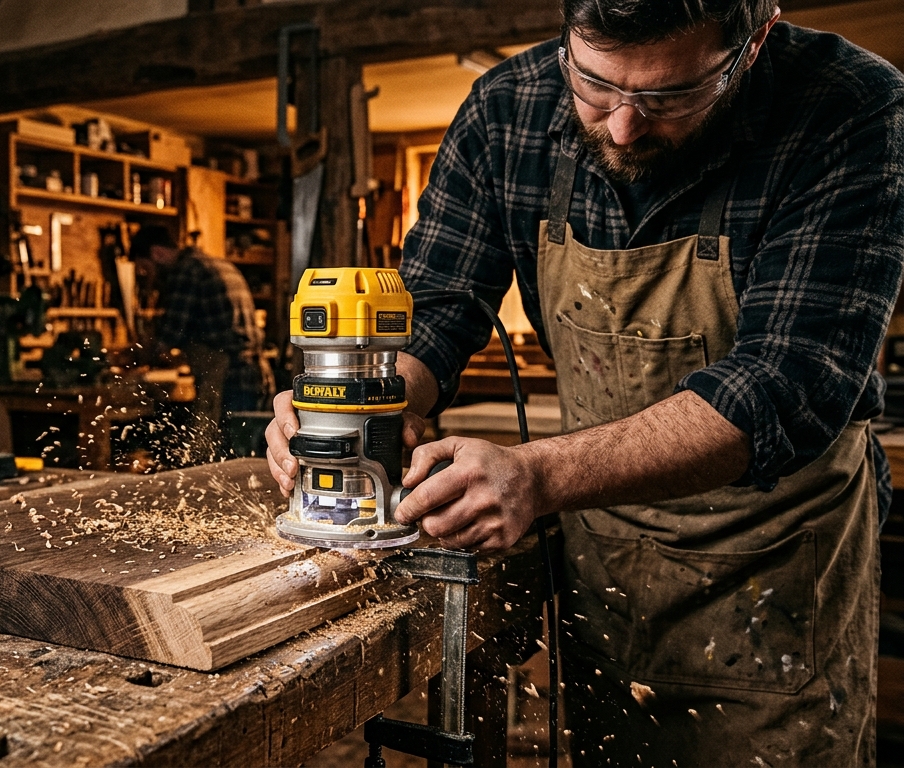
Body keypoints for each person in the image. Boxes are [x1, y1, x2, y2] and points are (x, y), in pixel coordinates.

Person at [266, 1, 904, 765]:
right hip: (604, 547)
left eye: (668, 96)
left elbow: (790, 384)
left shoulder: (850, 105)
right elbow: (435, 306)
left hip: (774, 560)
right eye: (594, 85)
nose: (624, 127)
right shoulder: (508, 106)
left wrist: (539, 474)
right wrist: (362, 403)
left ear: (754, 40)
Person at [131, 226, 271, 458]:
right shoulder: (219, 264)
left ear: (156, 253)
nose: (149, 278)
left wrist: (138, 360)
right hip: (254, 373)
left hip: (229, 378)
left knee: (220, 460)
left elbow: (168, 336)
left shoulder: (186, 272)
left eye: (146, 269)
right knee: (245, 461)